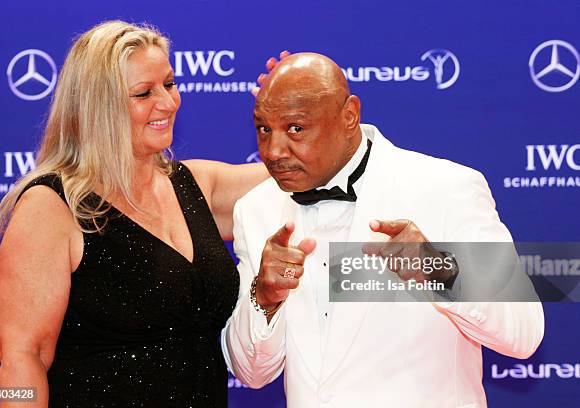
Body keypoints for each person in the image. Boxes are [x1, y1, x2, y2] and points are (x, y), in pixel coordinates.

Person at [222, 53, 544, 407]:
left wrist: (436, 269)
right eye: (264, 129)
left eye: (296, 128)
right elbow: (252, 374)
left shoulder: (445, 188)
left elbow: (524, 333)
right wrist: (264, 299)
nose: (273, 151)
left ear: (349, 115)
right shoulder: (256, 209)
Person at [0, 21, 268, 407]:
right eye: (144, 93)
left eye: (169, 85)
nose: (168, 103)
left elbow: (307, 172)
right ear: (97, 106)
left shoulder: (195, 185)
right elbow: (24, 359)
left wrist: (293, 104)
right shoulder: (51, 206)